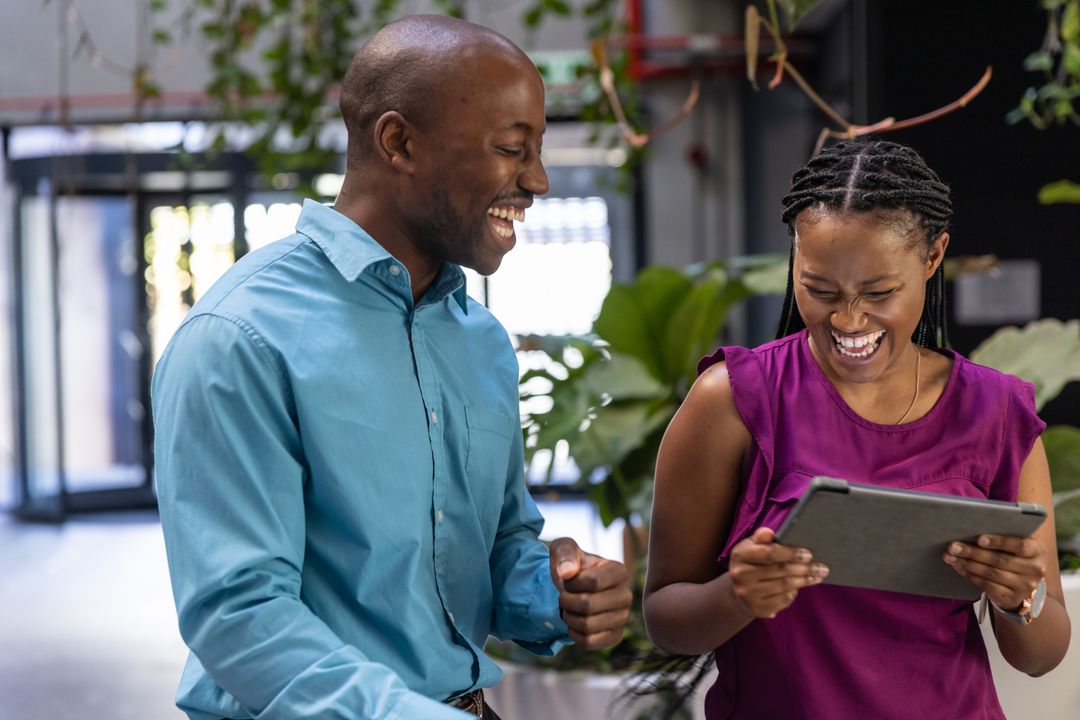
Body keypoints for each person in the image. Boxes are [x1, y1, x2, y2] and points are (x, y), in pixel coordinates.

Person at [152, 15, 632, 720]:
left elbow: (496, 544)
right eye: (511, 148)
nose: (537, 180)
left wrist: (555, 590)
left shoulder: (479, 338)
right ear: (399, 142)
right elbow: (241, 616)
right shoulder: (241, 339)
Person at [643, 140, 1070, 719]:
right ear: (793, 258)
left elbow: (1041, 656)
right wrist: (738, 595)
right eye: (820, 290)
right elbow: (667, 619)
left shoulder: (996, 413)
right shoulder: (733, 400)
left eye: (878, 293)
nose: (847, 320)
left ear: (933, 256)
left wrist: (1020, 596)